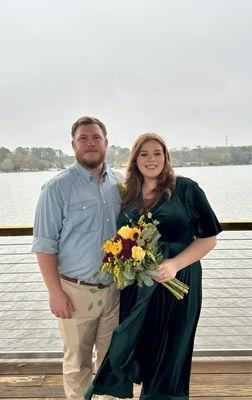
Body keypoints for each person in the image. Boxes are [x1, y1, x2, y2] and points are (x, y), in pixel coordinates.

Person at [85, 132, 222, 400]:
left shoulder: (186, 189)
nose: (151, 159)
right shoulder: (128, 195)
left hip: (178, 284)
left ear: (166, 157)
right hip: (139, 287)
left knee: (172, 354)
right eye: (144, 154)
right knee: (143, 351)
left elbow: (209, 238)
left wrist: (174, 264)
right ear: (135, 159)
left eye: (157, 153)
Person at [32, 116, 122, 400]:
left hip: (115, 290)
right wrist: (54, 292)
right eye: (83, 139)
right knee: (77, 365)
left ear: (106, 142)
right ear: (73, 145)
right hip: (75, 291)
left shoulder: (120, 183)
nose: (90, 143)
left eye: (96, 137)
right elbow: (45, 245)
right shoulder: (56, 188)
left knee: (110, 362)